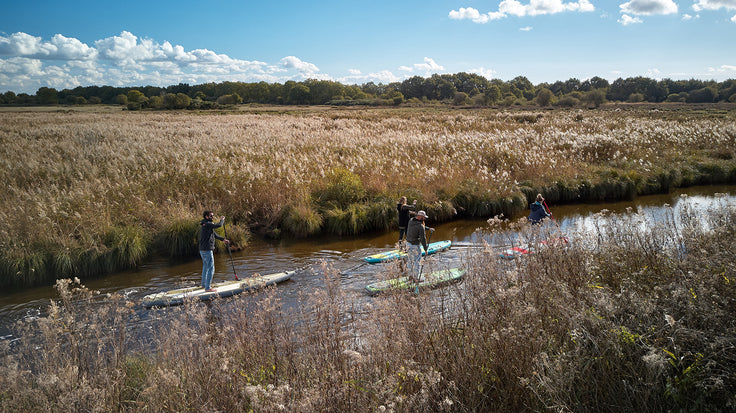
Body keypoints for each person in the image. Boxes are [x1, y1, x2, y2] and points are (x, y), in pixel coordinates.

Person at [199, 210, 229, 292]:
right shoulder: (208, 224)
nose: (213, 217)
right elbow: (219, 225)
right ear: (206, 217)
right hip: (207, 250)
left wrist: (223, 239)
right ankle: (208, 288)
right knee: (211, 268)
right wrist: (222, 220)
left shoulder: (206, 224)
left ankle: (204, 285)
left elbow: (214, 234)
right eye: (211, 216)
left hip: (202, 250)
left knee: (205, 266)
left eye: (213, 215)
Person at [405, 210, 434, 282]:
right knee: (417, 262)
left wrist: (428, 228)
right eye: (423, 218)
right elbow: (423, 239)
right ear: (420, 216)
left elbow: (421, 227)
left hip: (408, 244)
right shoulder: (420, 226)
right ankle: (416, 279)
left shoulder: (411, 221)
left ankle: (410, 277)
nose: (424, 219)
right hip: (415, 246)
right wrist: (425, 249)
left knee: (410, 261)